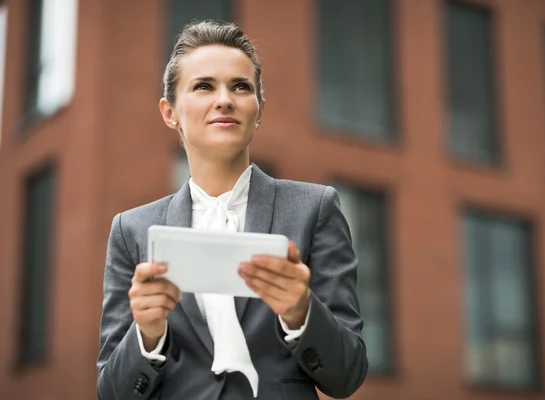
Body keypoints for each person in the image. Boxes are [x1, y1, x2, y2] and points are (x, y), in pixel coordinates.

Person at [96, 20, 367, 400]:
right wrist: (147, 335)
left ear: (258, 111)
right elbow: (112, 394)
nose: (224, 99)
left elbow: (347, 375)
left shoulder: (315, 209)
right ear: (169, 112)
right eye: (203, 86)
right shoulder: (131, 230)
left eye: (241, 86)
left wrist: (301, 313)